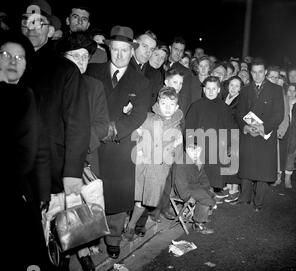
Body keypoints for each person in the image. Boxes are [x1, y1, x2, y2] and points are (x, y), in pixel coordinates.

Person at [86, 25, 151, 259]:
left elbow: (139, 114)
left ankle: (113, 237)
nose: (120, 55)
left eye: (125, 50)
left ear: (131, 51)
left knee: (116, 195)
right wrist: (94, 131)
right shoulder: (92, 72)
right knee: (91, 192)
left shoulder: (140, 82)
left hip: (120, 145)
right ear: (109, 49)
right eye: (116, 50)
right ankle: (90, 237)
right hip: (92, 144)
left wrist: (114, 131)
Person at [21, 0, 90, 199]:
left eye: (38, 22)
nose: (31, 28)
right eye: (27, 21)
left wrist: (72, 172)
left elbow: (78, 124)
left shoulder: (65, 71)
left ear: (50, 31)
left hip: (48, 167)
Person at [1, 31, 52, 271]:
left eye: (20, 57)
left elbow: (40, 148)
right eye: (6, 55)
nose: (14, 61)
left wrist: (44, 197)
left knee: (29, 262)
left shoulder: (26, 95)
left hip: (19, 193)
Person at [58, 31, 110, 271]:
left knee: (85, 209)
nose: (80, 62)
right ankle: (65, 252)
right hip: (59, 157)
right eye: (74, 56)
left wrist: (78, 143)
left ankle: (83, 250)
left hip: (86, 157)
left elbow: (101, 125)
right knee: (64, 208)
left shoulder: (94, 86)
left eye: (84, 57)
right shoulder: (54, 82)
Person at [124, 86, 183, 241]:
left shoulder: (176, 125)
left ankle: (131, 225)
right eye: (164, 104)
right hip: (141, 165)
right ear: (158, 103)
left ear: (177, 107)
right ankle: (126, 223)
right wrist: (138, 145)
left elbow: (176, 152)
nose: (168, 108)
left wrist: (176, 145)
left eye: (171, 105)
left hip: (158, 170)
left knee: (143, 200)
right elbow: (133, 132)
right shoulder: (148, 118)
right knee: (131, 196)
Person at [233, 58, 284, 211]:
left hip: (265, 134)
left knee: (263, 170)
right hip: (249, 133)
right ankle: (244, 198)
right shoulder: (245, 89)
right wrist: (245, 127)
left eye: (260, 72)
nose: (257, 75)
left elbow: (279, 114)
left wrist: (264, 127)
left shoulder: (276, 89)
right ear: (250, 72)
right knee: (247, 167)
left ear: (265, 71)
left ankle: (258, 202)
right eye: (254, 72)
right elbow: (239, 112)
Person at [185, 76, 237, 196]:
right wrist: (190, 144)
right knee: (199, 178)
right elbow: (189, 127)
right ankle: (201, 202)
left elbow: (230, 128)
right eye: (208, 88)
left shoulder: (224, 108)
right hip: (199, 147)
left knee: (213, 178)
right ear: (204, 89)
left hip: (217, 148)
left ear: (219, 90)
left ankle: (210, 199)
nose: (211, 91)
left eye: (214, 89)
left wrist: (228, 145)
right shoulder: (196, 106)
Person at [173, 143, 216, 234]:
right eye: (194, 152)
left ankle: (202, 215)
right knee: (204, 198)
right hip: (184, 190)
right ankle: (198, 224)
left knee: (209, 192)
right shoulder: (181, 163)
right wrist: (187, 197)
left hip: (194, 186)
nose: (196, 155)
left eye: (198, 152)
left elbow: (203, 177)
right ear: (187, 151)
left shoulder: (196, 161)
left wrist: (207, 187)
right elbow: (180, 184)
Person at [267, 66, 289, 186]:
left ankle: (277, 175)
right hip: (262, 129)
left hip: (276, 129)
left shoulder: (282, 95)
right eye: (272, 77)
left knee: (276, 154)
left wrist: (281, 130)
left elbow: (285, 115)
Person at [222, 75, 243, 202]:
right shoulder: (225, 97)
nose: (233, 88)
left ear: (240, 88)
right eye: (232, 85)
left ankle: (234, 190)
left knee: (234, 161)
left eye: (237, 86)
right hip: (224, 133)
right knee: (226, 161)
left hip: (235, 133)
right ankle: (227, 187)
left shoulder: (241, 100)